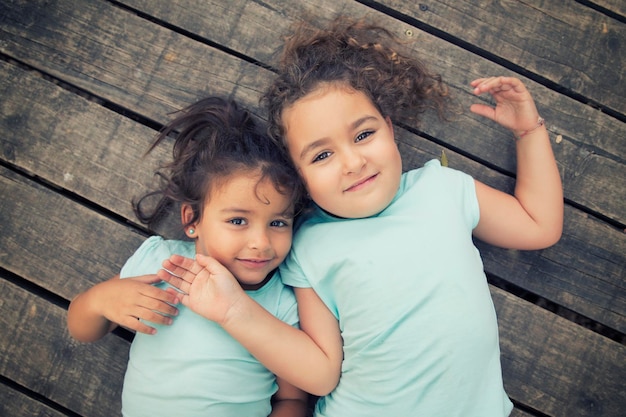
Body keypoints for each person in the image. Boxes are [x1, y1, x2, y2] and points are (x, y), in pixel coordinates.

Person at [159, 17, 563, 416]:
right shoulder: (309, 244)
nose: (352, 162)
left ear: (388, 128)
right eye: (322, 155)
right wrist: (236, 312)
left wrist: (529, 133)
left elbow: (538, 225)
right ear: (298, 177)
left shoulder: (442, 190)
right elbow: (320, 375)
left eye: (363, 134)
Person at [66, 97, 309, 417]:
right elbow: (81, 329)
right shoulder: (160, 265)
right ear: (192, 220)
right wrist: (100, 302)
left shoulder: (282, 303)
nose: (261, 243)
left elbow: (292, 401)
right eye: (238, 221)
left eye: (278, 222)